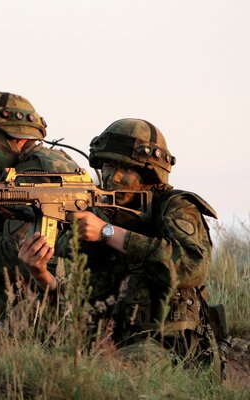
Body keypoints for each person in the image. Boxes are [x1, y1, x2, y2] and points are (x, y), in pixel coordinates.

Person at [19, 118, 224, 375]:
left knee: (108, 374)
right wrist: (41, 273)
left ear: (149, 172)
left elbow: (192, 267)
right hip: (109, 342)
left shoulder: (174, 206)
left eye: (124, 169)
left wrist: (108, 233)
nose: (112, 176)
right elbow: (78, 294)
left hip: (168, 346)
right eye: (107, 165)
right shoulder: (98, 213)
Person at [0, 91, 80, 309]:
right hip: (50, 297)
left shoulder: (32, 177)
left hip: (53, 304)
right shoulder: (28, 168)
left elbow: (14, 266)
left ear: (16, 137)